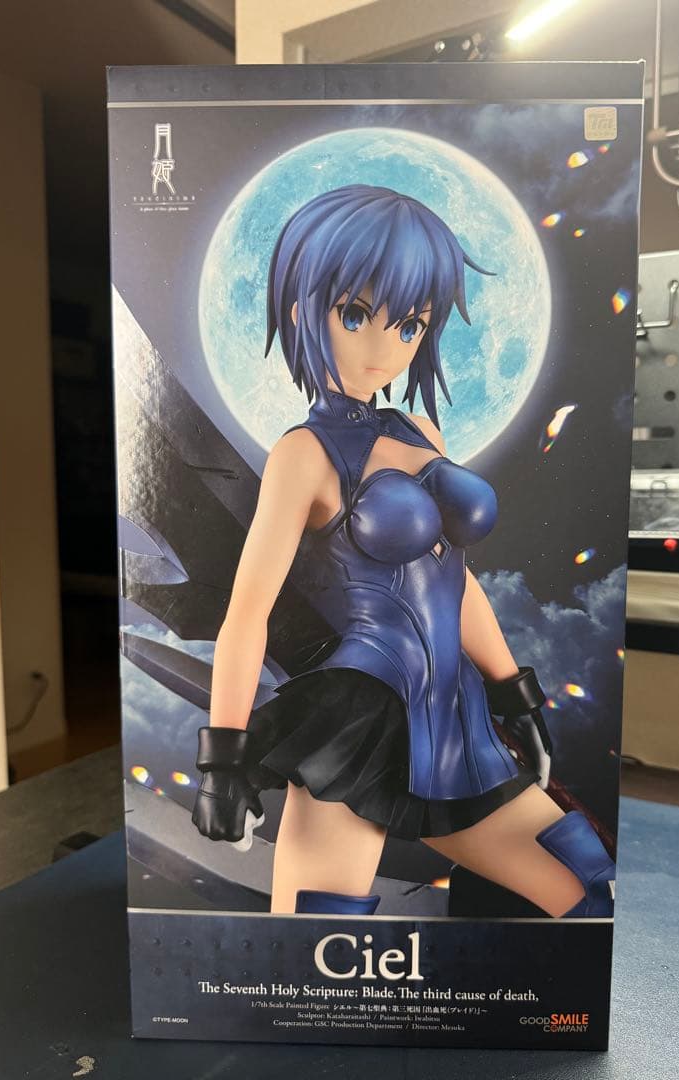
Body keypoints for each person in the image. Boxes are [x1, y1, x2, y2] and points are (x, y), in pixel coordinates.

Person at [191, 184, 614, 919]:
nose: (384, 349)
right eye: (355, 314)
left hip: (457, 721)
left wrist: (513, 693)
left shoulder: (422, 432)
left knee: (584, 887)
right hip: (358, 720)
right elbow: (246, 613)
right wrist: (221, 762)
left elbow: (454, 581)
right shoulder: (304, 455)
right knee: (317, 941)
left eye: (411, 324)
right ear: (299, 311)